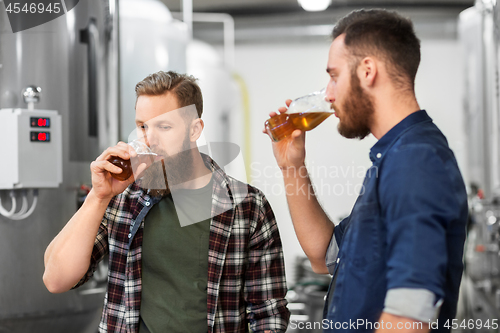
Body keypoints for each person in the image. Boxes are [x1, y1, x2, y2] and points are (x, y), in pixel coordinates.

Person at [264, 9, 467, 333]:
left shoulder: (415, 161)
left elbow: (409, 316)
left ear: (368, 70)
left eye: (334, 76)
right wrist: (292, 167)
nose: (328, 95)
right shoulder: (393, 158)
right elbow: (324, 255)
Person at [43, 71, 290, 333]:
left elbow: (269, 314)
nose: (149, 140)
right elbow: (56, 279)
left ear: (195, 129)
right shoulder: (123, 199)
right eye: (142, 126)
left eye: (164, 127)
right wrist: (98, 197)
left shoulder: (248, 206)